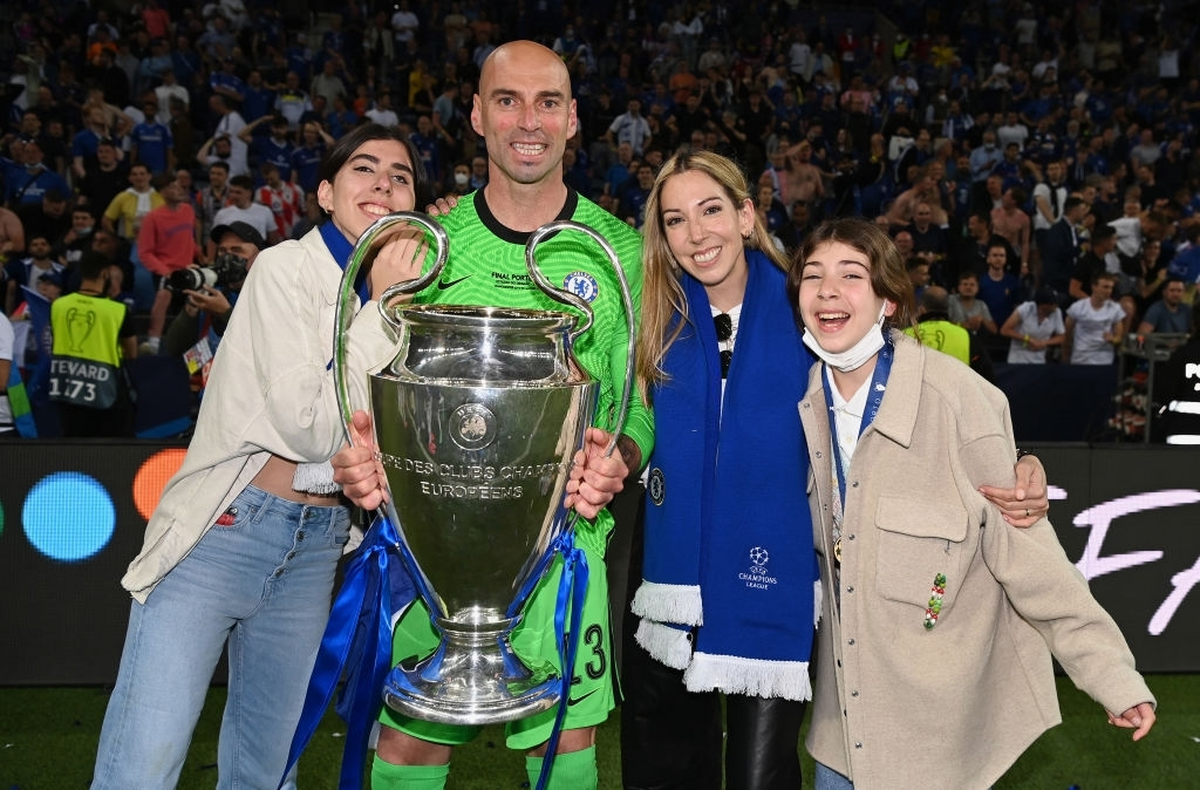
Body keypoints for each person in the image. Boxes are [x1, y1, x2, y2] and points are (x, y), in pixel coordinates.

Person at [332, 41, 652, 790]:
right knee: (409, 744)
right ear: (477, 115)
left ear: (574, 120)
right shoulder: (431, 247)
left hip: (563, 549)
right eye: (507, 100)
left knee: (566, 747)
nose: (527, 120)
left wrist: (621, 457)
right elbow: (377, 391)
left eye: (548, 103)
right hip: (435, 552)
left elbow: (641, 404)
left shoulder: (621, 253)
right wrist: (360, 457)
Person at [90, 123, 431, 789]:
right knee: (144, 762)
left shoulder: (405, 303)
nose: (385, 182)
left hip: (317, 545)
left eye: (401, 174)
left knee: (269, 770)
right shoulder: (284, 268)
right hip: (225, 530)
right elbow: (308, 427)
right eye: (365, 169)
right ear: (326, 194)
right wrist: (384, 306)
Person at [788, 217, 1155, 790]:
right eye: (813, 276)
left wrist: (1112, 675)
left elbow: (1031, 559)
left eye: (851, 275)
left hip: (940, 740)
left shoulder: (961, 398)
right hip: (843, 735)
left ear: (888, 298)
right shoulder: (802, 398)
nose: (828, 290)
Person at [622, 150, 817, 790]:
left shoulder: (805, 307)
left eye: (711, 211)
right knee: (669, 771)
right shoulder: (652, 316)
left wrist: (1016, 454)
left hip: (775, 575)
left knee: (762, 778)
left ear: (745, 214)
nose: (697, 234)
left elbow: (902, 379)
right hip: (672, 584)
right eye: (676, 220)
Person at [48, 250, 137, 436]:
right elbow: (132, 353)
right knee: (110, 455)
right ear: (105, 273)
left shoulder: (58, 305)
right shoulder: (118, 310)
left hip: (68, 391)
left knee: (74, 455)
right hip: (107, 393)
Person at [163, 221, 264, 358]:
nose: (227, 257)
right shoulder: (212, 292)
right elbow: (173, 348)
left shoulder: (268, 294)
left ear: (258, 256)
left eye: (237, 250)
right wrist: (191, 307)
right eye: (222, 251)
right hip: (206, 377)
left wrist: (225, 313)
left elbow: (267, 347)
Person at [1065, 272, 1126, 365]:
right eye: (1105, 287)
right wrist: (1065, 357)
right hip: (1080, 359)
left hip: (1104, 360)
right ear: (1094, 287)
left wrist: (1113, 339)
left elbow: (1119, 337)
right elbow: (1067, 334)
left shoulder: (1115, 309)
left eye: (1111, 288)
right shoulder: (1078, 307)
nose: (1109, 291)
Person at [1001, 286, 1066, 363]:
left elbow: (1061, 337)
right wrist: (1029, 340)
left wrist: (1044, 342)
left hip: (1039, 358)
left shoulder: (1057, 312)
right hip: (1018, 357)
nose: (1056, 306)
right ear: (1043, 305)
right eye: (1053, 304)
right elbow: (1005, 330)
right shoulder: (1025, 308)